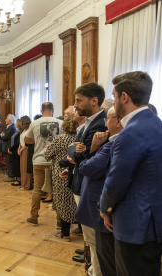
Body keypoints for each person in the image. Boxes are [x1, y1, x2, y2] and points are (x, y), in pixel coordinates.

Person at [100, 72, 162, 276]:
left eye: (114, 96)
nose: (114, 101)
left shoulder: (130, 133)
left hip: (135, 224)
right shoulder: (156, 124)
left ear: (124, 97)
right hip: (154, 219)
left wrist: (105, 208)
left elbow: (117, 180)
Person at [76, 107, 123, 276]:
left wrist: (93, 148)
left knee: (104, 255)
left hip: (103, 206)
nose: (105, 123)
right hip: (103, 203)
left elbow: (87, 167)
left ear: (118, 121)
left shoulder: (112, 144)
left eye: (108, 118)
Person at [24, 102, 62, 226]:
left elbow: (27, 139)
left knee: (37, 189)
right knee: (57, 190)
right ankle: (60, 220)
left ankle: (34, 217)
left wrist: (36, 140)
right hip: (55, 161)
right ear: (53, 110)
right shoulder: (60, 123)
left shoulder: (35, 123)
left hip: (39, 160)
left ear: (41, 111)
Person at [45, 115, 78, 241]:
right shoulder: (78, 139)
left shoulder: (60, 139)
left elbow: (48, 155)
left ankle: (65, 233)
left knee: (63, 202)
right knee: (74, 201)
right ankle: (79, 229)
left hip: (60, 173)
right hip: (74, 172)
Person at [0, 114, 17, 182]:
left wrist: (3, 135)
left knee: (9, 162)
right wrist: (3, 135)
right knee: (8, 162)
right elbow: (0, 134)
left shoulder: (12, 128)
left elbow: (5, 137)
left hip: (8, 147)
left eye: (6, 118)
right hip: (6, 147)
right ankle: (10, 175)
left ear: (9, 120)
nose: (5, 120)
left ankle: (11, 176)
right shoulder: (8, 127)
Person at [17, 116, 32, 190]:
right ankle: (23, 184)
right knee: (22, 168)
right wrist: (18, 148)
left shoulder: (29, 131)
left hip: (26, 151)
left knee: (26, 169)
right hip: (22, 150)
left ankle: (27, 185)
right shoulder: (22, 131)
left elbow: (27, 144)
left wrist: (21, 149)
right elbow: (21, 141)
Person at [7, 119, 22, 186]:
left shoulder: (20, 132)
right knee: (14, 165)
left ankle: (18, 180)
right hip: (14, 151)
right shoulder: (17, 131)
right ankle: (17, 179)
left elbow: (17, 143)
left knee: (16, 166)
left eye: (16, 123)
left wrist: (11, 148)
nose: (15, 123)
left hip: (16, 151)